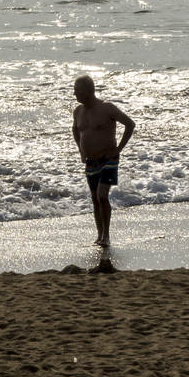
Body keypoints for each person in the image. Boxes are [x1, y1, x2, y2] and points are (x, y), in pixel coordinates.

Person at [72, 74, 134, 251]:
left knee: (101, 195)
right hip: (91, 161)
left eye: (77, 90)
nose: (74, 94)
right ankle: (99, 235)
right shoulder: (77, 111)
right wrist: (80, 150)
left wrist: (118, 149)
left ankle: (106, 235)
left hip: (109, 158)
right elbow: (76, 130)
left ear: (88, 91)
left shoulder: (107, 108)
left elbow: (130, 124)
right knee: (94, 199)